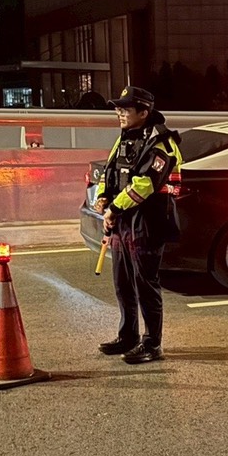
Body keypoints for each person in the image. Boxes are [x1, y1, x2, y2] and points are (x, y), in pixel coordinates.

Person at [93, 86, 183, 364]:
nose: (119, 113)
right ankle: (128, 336)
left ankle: (152, 344)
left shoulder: (162, 143)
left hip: (148, 222)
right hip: (124, 221)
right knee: (123, 283)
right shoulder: (126, 137)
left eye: (125, 109)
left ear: (143, 112)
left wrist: (114, 208)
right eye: (118, 108)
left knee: (145, 284)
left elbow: (144, 184)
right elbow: (109, 171)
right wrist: (102, 197)